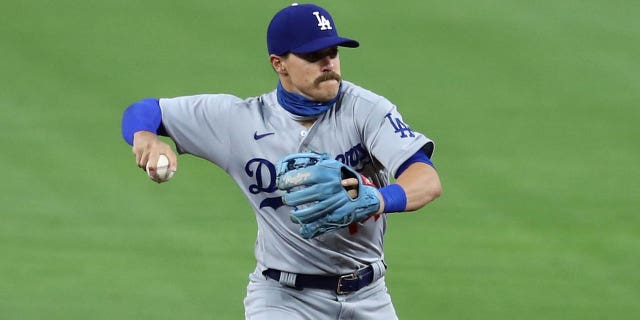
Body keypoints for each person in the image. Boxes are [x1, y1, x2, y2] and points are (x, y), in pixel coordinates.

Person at [121, 3, 441, 319]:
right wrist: (147, 138)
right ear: (279, 63)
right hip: (283, 299)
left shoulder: (367, 110)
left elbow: (426, 180)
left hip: (370, 296)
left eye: (333, 52)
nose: (328, 63)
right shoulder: (239, 121)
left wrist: (378, 199)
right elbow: (145, 111)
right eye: (313, 56)